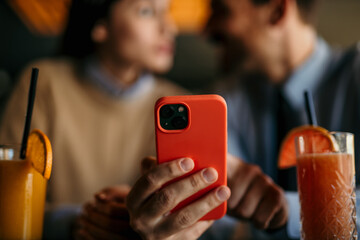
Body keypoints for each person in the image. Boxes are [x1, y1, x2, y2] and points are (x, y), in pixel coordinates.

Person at [0, 0, 188, 238]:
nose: (169, 28)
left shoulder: (179, 105)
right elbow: (6, 195)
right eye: (146, 11)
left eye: (167, 12)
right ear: (100, 25)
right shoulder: (44, 83)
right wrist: (79, 220)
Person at [203, 0, 360, 239]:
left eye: (222, 11)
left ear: (277, 12)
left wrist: (288, 210)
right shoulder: (225, 102)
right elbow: (219, 223)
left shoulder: (355, 77)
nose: (206, 29)